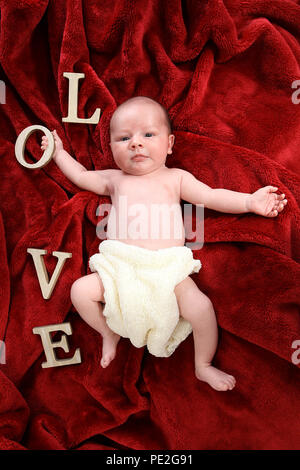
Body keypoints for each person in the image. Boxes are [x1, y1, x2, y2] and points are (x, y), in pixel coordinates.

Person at [41, 96, 287, 391]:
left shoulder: (176, 179)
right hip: (122, 268)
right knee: (79, 291)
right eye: (123, 138)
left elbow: (211, 196)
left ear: (169, 144)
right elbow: (81, 176)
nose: (136, 143)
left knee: (201, 308)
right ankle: (108, 333)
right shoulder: (114, 179)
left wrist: (249, 201)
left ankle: (203, 365)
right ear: (111, 149)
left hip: (167, 270)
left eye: (148, 134)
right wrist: (58, 153)